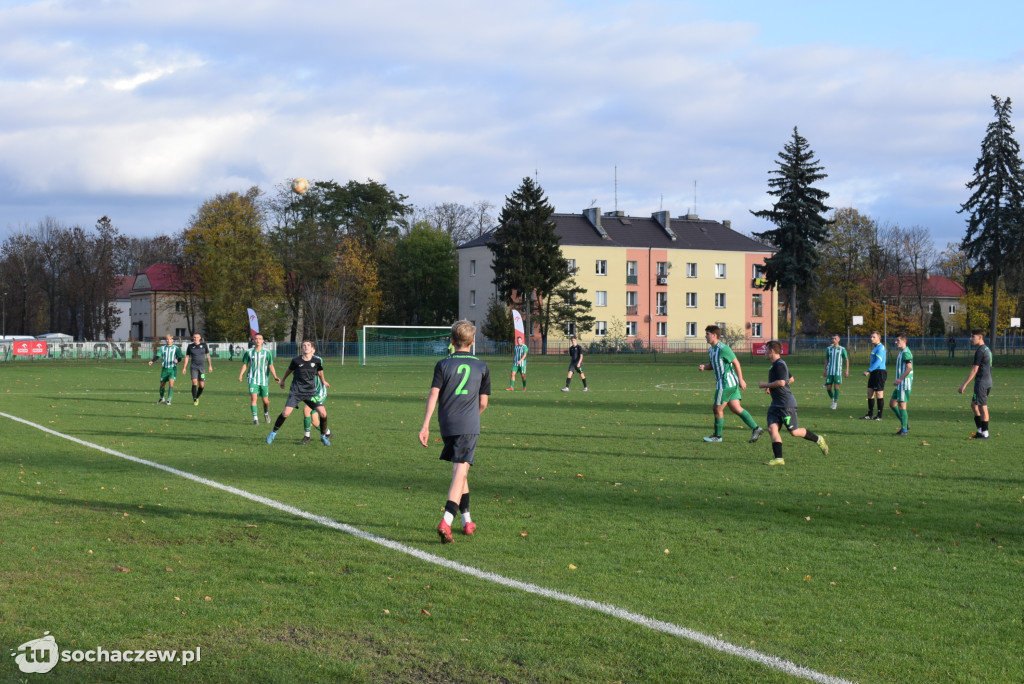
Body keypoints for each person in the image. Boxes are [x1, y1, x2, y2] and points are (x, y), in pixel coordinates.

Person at [419, 320, 491, 543]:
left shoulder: (442, 364)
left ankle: (467, 521)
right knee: (460, 471)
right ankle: (446, 521)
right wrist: (472, 417)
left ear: (451, 341)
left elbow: (433, 395)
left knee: (461, 470)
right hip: (468, 425)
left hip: (447, 424)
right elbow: (484, 402)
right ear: (473, 342)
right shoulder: (481, 366)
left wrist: (425, 425)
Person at [758, 340, 829, 466]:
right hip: (776, 404)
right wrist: (771, 387)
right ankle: (779, 458)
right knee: (772, 428)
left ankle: (819, 439)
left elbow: (782, 382)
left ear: (772, 351)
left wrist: (766, 385)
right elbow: (790, 379)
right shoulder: (777, 364)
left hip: (786, 404)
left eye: (766, 349)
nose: (765, 352)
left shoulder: (779, 365)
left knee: (794, 432)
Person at [697, 325, 762, 443]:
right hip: (729, 384)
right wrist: (705, 367)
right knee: (736, 408)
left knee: (717, 409)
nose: (705, 336)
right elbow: (713, 365)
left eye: (707, 334)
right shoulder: (711, 349)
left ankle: (717, 436)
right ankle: (756, 429)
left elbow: (736, 363)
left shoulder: (724, 348)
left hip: (725, 384)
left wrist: (741, 379)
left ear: (714, 335)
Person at [267, 340, 332, 446]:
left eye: (308, 345)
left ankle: (323, 436)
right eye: (304, 346)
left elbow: (320, 371)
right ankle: (273, 433)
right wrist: (283, 380)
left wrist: (323, 381)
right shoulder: (296, 360)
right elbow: (289, 370)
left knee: (323, 413)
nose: (306, 347)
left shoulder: (316, 361)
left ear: (312, 349)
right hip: (296, 392)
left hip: (311, 393)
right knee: (286, 413)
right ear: (301, 348)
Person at [958, 328, 993, 440]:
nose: (971, 339)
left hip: (982, 384)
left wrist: (964, 385)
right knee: (974, 405)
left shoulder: (980, 351)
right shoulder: (986, 349)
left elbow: (974, 370)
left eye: (973, 336)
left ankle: (985, 434)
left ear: (980, 337)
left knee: (983, 407)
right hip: (986, 381)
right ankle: (980, 430)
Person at [238, 333, 280, 425]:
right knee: (254, 398)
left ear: (262, 341)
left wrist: (275, 376)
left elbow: (271, 365)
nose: (258, 340)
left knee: (266, 401)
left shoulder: (267, 352)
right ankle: (255, 418)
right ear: (254, 340)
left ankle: (266, 413)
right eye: (256, 339)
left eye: (260, 339)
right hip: (252, 379)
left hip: (264, 380)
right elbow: (245, 364)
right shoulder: (248, 352)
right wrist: (241, 374)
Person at [148, 334, 184, 405]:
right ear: (165, 340)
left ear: (172, 340)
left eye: (170, 339)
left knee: (171, 384)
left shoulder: (176, 348)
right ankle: (162, 398)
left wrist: (177, 360)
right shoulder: (162, 348)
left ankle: (169, 399)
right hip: (164, 369)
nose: (169, 341)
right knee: (162, 385)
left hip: (172, 369)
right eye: (167, 339)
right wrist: (152, 361)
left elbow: (180, 357)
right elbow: (157, 356)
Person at [889, 333, 914, 436]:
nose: (896, 342)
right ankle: (905, 424)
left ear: (904, 341)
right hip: (901, 383)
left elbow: (909, 368)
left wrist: (900, 379)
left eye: (898, 341)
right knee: (892, 403)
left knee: (902, 405)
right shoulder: (901, 352)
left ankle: (904, 430)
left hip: (904, 383)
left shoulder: (906, 353)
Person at [181, 332, 214, 406]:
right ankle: (194, 399)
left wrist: (210, 366)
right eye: (194, 337)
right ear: (193, 338)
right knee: (194, 382)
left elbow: (208, 355)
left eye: (197, 337)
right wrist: (184, 367)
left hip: (202, 368)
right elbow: (187, 357)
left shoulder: (204, 345)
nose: (195, 338)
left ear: (200, 338)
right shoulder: (190, 346)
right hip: (193, 367)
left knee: (202, 386)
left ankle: (197, 397)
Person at [861, 330, 887, 420]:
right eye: (871, 337)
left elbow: (878, 362)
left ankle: (879, 416)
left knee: (879, 393)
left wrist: (869, 370)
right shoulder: (875, 347)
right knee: (870, 392)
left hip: (880, 372)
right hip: (874, 372)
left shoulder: (880, 348)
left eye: (873, 337)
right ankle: (870, 414)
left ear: (879, 338)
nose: (871, 338)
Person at [822, 333, 849, 410]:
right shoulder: (829, 349)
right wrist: (825, 370)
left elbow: (846, 360)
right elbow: (827, 359)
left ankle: (835, 403)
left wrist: (847, 370)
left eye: (835, 339)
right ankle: (833, 399)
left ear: (838, 340)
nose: (833, 340)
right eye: (833, 338)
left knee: (836, 387)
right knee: (828, 388)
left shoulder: (842, 349)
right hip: (830, 371)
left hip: (837, 372)